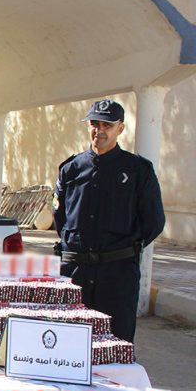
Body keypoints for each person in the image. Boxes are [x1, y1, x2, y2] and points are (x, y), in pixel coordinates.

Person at [53, 99, 165, 342]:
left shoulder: (138, 170)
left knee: (116, 342)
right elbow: (60, 217)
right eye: (95, 124)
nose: (99, 131)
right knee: (70, 342)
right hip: (76, 272)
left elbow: (154, 221)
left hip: (118, 273)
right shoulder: (71, 169)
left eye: (107, 125)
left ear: (120, 129)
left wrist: (125, 247)